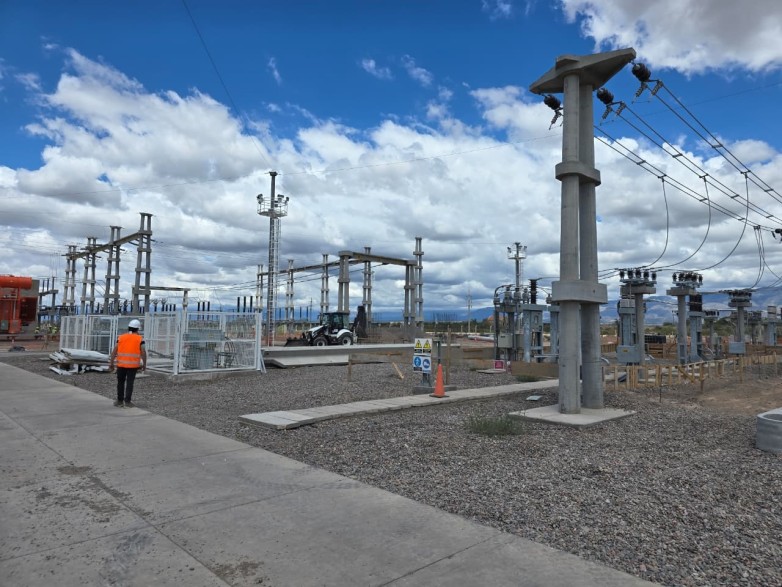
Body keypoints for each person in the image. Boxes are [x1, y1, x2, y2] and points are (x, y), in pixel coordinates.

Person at [109, 319, 147, 408]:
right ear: (138, 329)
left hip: (121, 365)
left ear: (128, 328)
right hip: (133, 366)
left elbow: (114, 351)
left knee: (120, 382)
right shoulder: (140, 339)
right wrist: (144, 364)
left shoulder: (121, 337)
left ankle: (119, 401)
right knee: (130, 383)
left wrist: (111, 363)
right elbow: (143, 352)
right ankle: (128, 402)